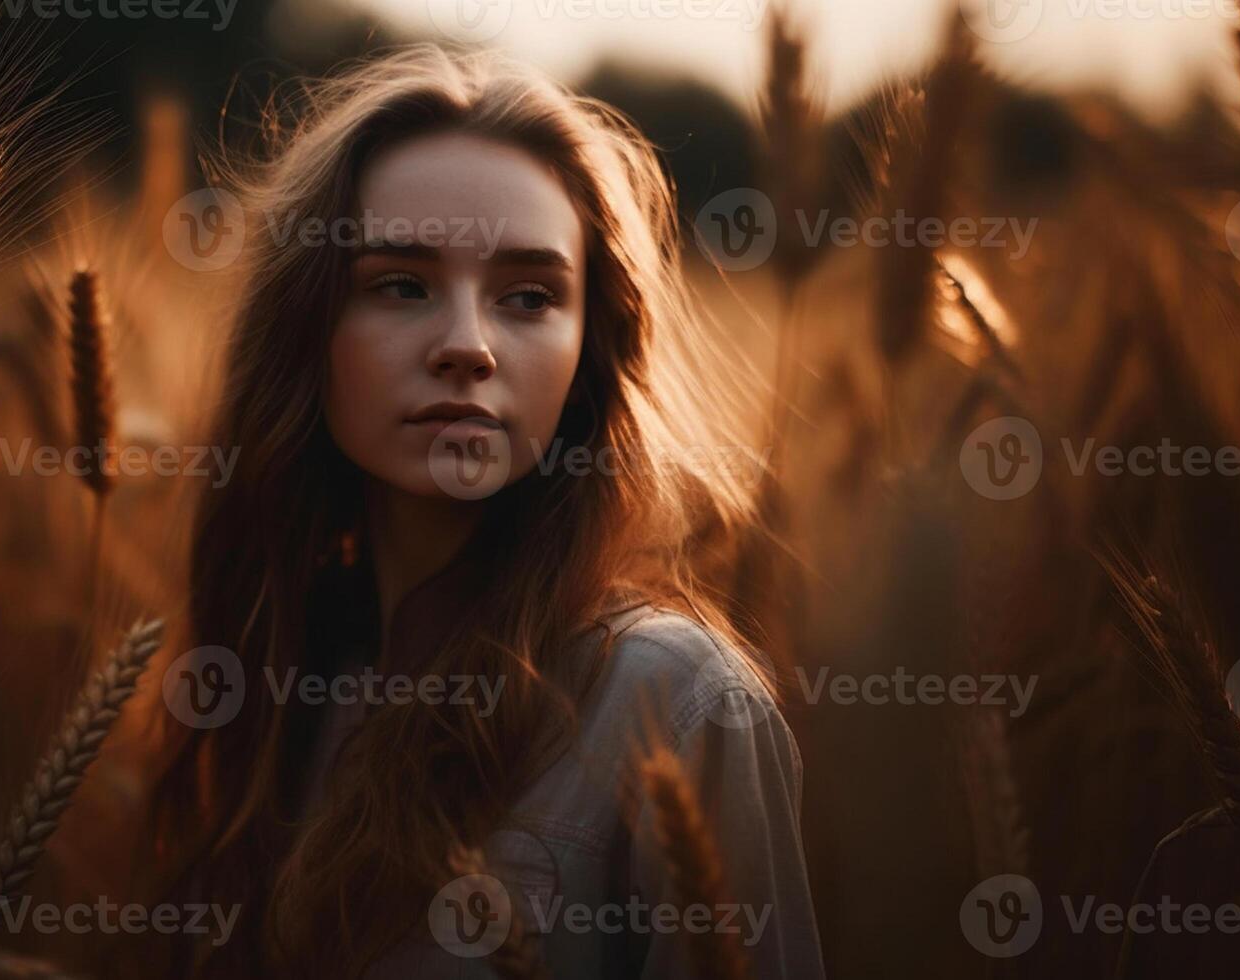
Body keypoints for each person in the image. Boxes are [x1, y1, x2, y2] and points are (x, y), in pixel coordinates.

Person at [146, 43, 826, 979]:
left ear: (591, 353)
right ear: (307, 329)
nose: (468, 346)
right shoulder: (285, 685)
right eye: (400, 283)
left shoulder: (676, 704)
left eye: (528, 297)